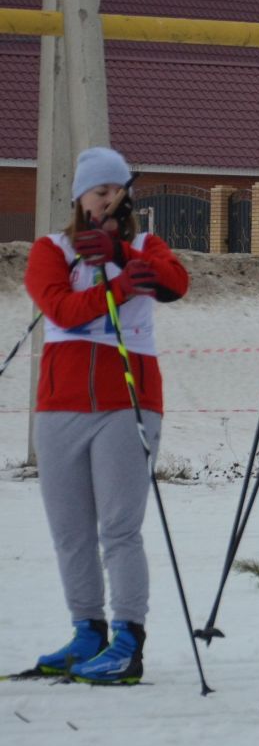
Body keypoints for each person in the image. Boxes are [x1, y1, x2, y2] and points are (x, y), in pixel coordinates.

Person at [24, 147, 190, 685]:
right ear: (78, 197)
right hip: (60, 404)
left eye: (112, 194)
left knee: (119, 528)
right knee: (70, 531)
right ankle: (86, 630)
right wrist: (119, 285)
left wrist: (119, 255)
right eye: (95, 194)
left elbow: (174, 284)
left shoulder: (143, 245)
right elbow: (62, 311)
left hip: (126, 400)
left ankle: (128, 638)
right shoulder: (50, 249)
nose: (104, 203)